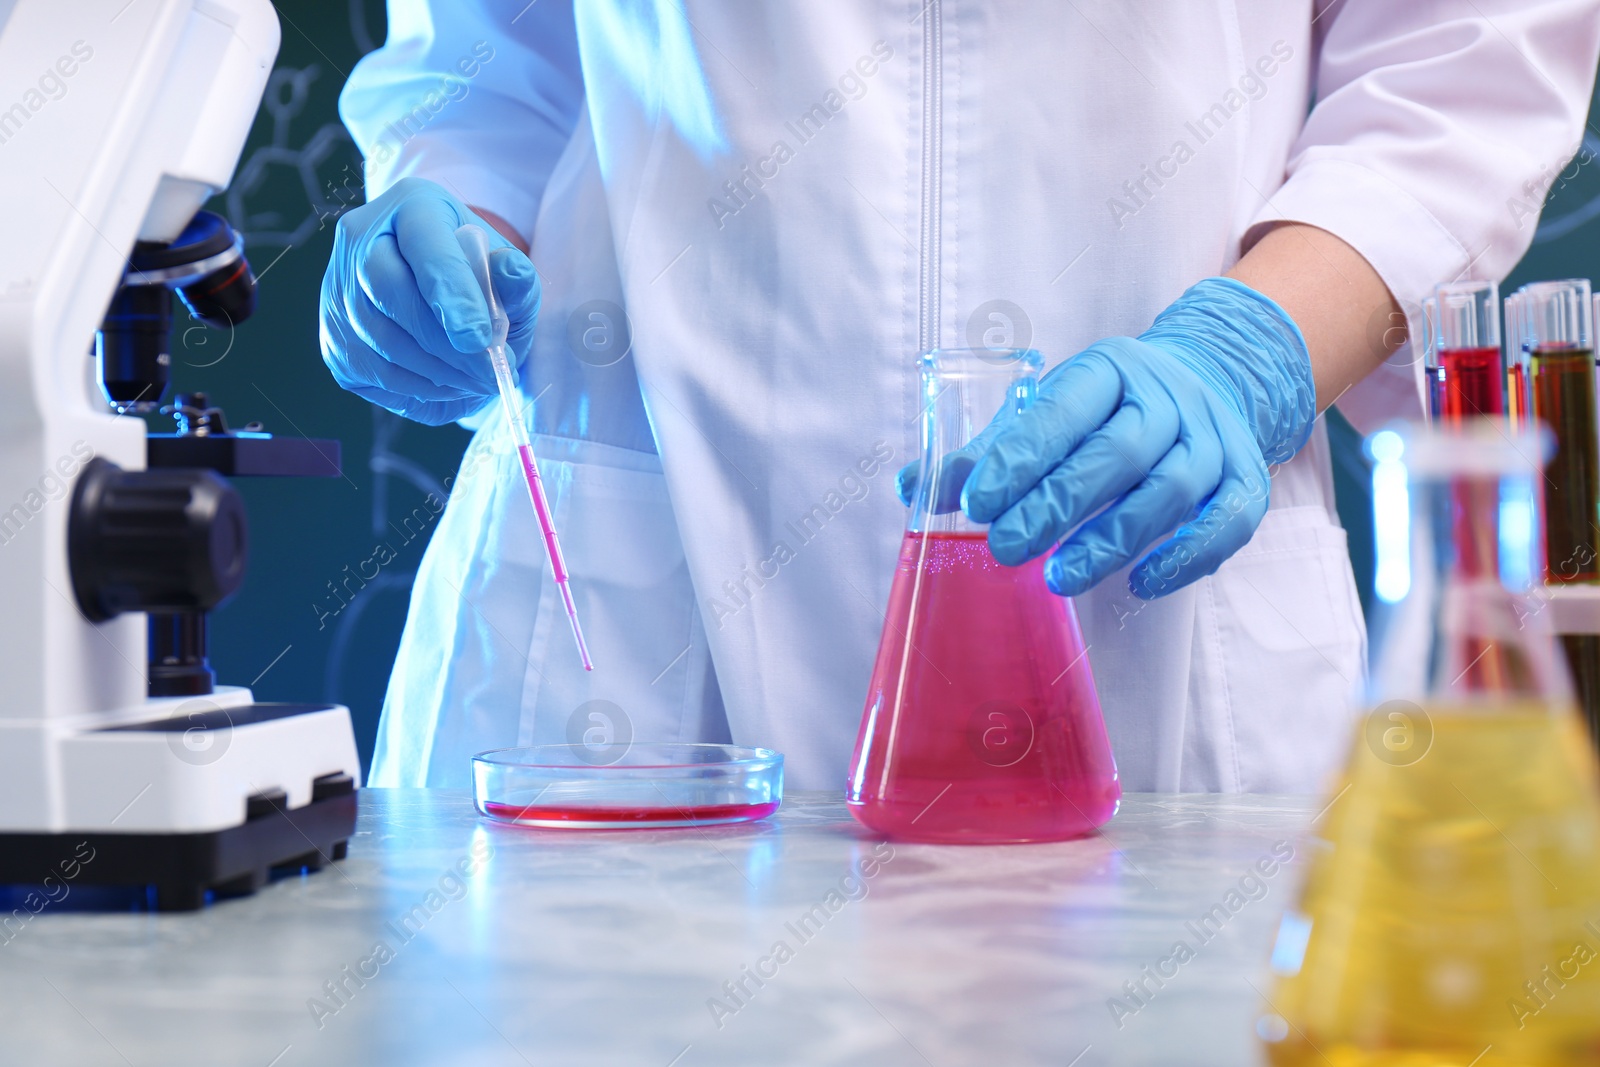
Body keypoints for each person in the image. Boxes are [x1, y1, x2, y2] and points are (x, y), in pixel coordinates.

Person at [323, 1, 1600, 792]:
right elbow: (492, 63)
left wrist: (1249, 346)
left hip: (1155, 600)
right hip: (645, 564)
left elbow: (1460, 60)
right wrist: (454, 209)